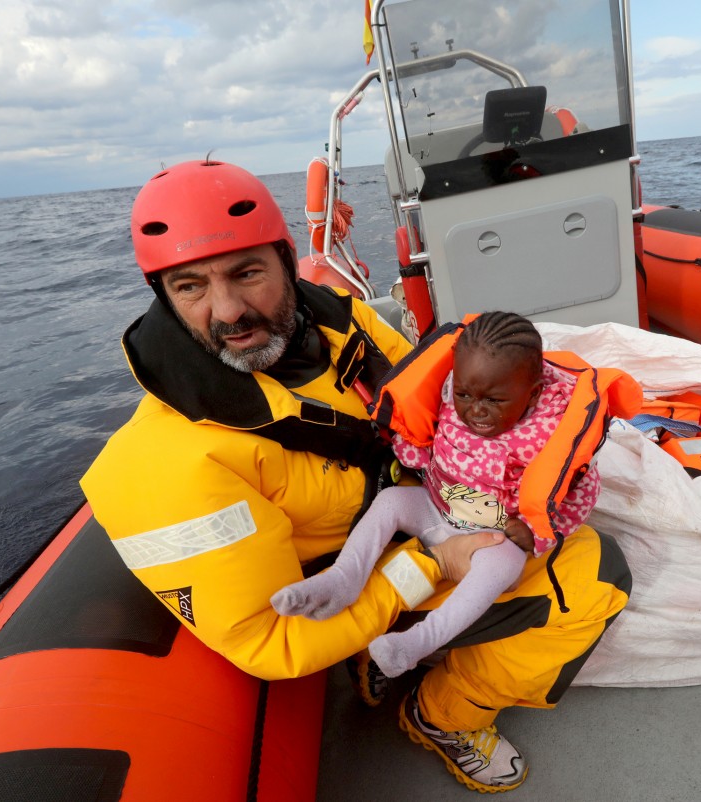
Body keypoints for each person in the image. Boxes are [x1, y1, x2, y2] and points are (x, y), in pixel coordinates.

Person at [80, 158, 633, 794]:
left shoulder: (345, 325)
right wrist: (430, 563)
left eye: (247, 272)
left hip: (427, 511)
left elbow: (431, 414)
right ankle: (443, 715)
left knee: (569, 538)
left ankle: (400, 658)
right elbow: (269, 641)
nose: (229, 310)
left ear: (288, 261)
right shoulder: (165, 465)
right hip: (354, 590)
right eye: (190, 287)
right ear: (162, 297)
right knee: (598, 577)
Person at [271, 311, 614, 681]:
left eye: (494, 401)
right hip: (436, 506)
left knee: (503, 566)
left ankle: (418, 643)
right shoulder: (451, 391)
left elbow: (580, 493)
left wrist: (539, 534)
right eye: (466, 394)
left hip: (494, 534)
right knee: (389, 504)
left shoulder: (552, 432)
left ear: (531, 394)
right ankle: (342, 579)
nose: (475, 410)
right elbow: (428, 439)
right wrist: (410, 452)